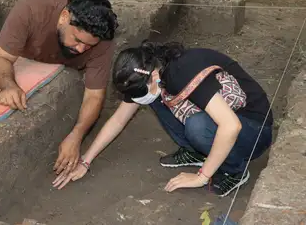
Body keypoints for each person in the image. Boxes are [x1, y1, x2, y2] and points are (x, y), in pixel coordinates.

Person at [52, 40, 273, 197]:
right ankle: (196, 150)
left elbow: (231, 125)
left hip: (253, 130)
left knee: (198, 126)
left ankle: (235, 170)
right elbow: (119, 120)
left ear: (153, 75)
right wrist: (85, 161)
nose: (138, 98)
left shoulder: (183, 72)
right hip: (227, 121)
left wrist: (201, 177)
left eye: (140, 91)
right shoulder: (152, 72)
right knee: (155, 98)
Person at [0, 0, 119, 176]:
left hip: (68, 70)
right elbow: (0, 58)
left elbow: (94, 95)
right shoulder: (32, 8)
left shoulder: (103, 38)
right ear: (64, 16)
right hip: (29, 64)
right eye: (77, 40)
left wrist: (76, 135)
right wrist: (8, 85)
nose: (82, 49)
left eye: (89, 46)